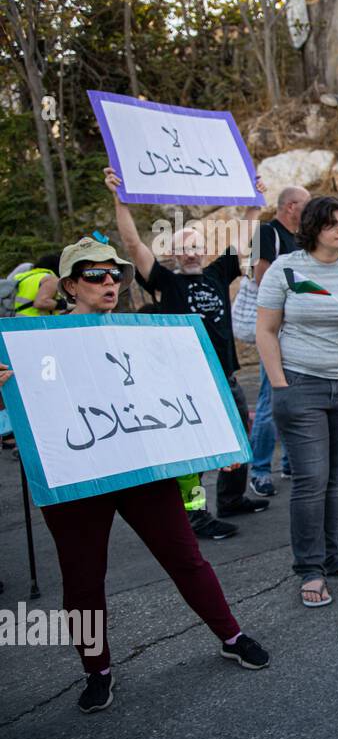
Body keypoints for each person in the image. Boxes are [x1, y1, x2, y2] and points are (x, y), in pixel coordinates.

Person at [0, 238, 269, 713]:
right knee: (83, 579)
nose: (109, 283)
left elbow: (186, 390)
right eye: (95, 275)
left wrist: (218, 442)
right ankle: (97, 670)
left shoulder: (146, 333)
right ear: (69, 286)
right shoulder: (32, 342)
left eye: (115, 275)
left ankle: (231, 634)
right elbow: (32, 409)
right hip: (77, 479)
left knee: (185, 558)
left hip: (142, 469)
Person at [105, 166, 269, 540]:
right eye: (183, 247)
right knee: (195, 448)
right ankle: (195, 514)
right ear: (173, 253)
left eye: (195, 246)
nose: (191, 253)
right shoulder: (165, 281)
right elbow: (133, 245)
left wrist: (254, 205)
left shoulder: (216, 274)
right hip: (186, 381)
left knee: (238, 435)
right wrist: (120, 199)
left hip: (224, 373)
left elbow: (243, 239)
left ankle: (231, 498)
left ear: (203, 250)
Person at [256, 196, 338, 607]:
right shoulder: (285, 268)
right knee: (310, 480)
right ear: (313, 228)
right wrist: (280, 385)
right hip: (301, 385)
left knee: (336, 479)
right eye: (334, 223)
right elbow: (266, 330)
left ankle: (332, 556)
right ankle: (309, 569)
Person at [248, 185, 310, 497]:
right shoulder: (266, 232)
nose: (311, 210)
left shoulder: (300, 238)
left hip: (297, 329)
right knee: (270, 400)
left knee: (294, 399)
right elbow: (263, 280)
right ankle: (259, 470)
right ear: (290, 206)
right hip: (274, 331)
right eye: (306, 204)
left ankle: (287, 461)